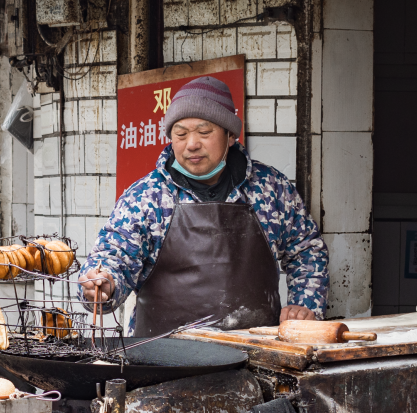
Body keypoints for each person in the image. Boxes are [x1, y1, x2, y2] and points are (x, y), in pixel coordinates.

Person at [79, 77, 328, 336]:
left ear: (230, 135)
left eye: (204, 132)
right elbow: (113, 257)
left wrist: (304, 305)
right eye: (181, 134)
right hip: (162, 360)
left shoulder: (269, 188)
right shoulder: (145, 197)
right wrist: (101, 285)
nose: (192, 144)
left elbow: (307, 251)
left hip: (257, 356)